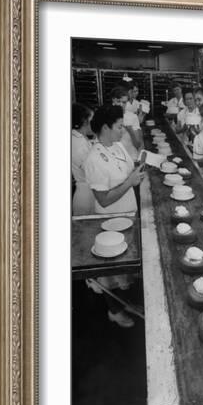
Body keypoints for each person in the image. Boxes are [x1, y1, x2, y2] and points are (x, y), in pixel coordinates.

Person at [84, 105, 145, 328]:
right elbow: (104, 199)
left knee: (124, 270)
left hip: (129, 212)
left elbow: (128, 170)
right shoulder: (94, 159)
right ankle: (115, 311)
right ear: (105, 127)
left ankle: (125, 304)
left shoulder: (118, 146)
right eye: (119, 126)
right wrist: (130, 182)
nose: (123, 131)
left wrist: (140, 169)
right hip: (111, 218)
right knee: (111, 269)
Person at [71, 103, 96, 216]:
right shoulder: (79, 145)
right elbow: (92, 170)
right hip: (86, 195)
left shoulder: (78, 137)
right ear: (85, 122)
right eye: (92, 120)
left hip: (87, 190)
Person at [110, 85, 143, 161]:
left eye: (124, 102)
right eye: (118, 101)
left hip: (130, 157)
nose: (121, 105)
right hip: (114, 158)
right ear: (113, 100)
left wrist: (130, 130)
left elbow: (138, 145)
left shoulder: (132, 117)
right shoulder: (107, 116)